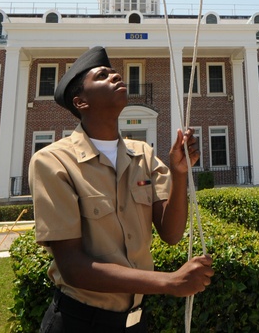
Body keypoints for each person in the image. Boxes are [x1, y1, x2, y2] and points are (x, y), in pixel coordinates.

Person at [30, 46, 214, 332]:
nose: (116, 75)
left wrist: (179, 173)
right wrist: (169, 282)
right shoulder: (53, 161)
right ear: (81, 102)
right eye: (103, 75)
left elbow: (172, 233)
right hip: (79, 322)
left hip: (134, 322)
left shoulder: (142, 153)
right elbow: (73, 267)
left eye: (114, 71)